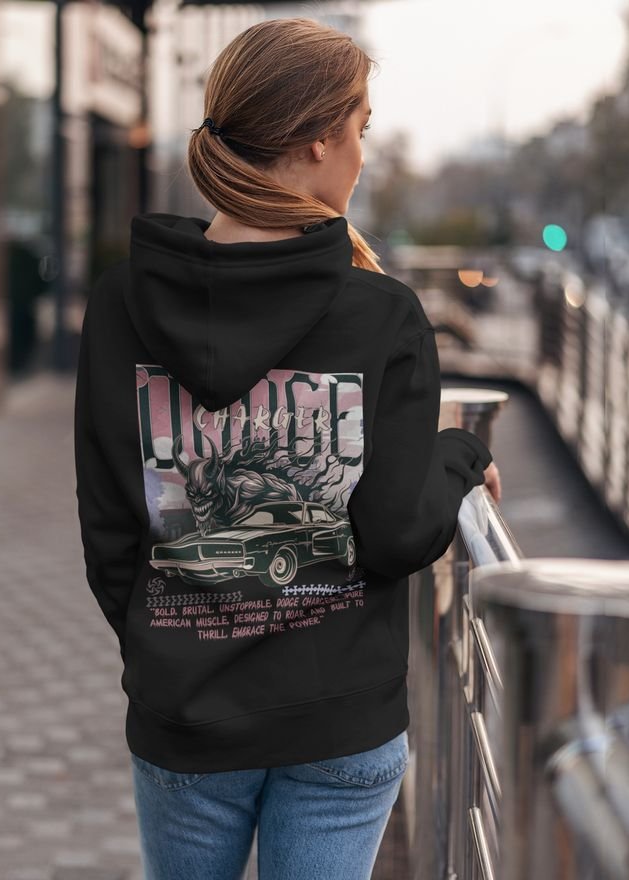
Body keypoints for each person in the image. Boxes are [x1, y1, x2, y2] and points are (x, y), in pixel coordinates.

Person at [74, 16, 501, 880]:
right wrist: (459, 456)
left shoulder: (121, 304)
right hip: (339, 724)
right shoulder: (383, 314)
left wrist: (170, 659)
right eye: (360, 130)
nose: (363, 156)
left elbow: (111, 530)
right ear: (316, 142)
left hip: (186, 719)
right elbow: (396, 533)